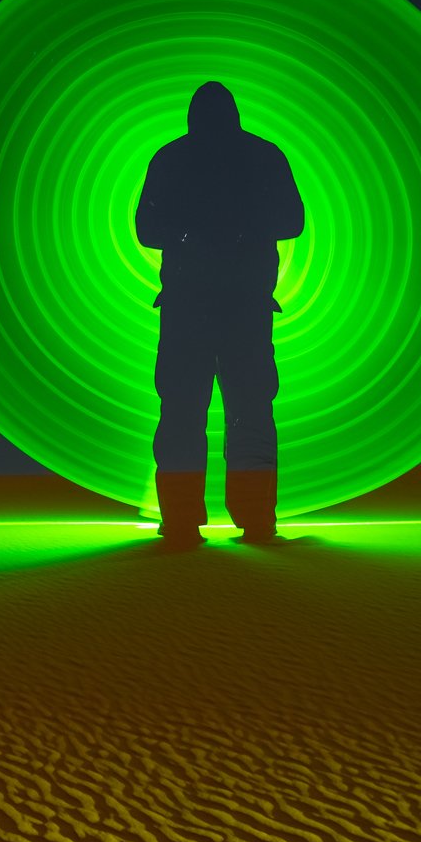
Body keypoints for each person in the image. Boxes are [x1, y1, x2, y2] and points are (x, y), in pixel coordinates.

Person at [136, 82, 305, 545]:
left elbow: (146, 228)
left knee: (183, 412)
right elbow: (293, 219)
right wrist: (241, 233)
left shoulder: (170, 158)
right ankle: (255, 521)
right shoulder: (263, 155)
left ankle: (182, 521)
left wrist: (192, 236)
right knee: (247, 410)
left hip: (191, 309)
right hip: (245, 307)